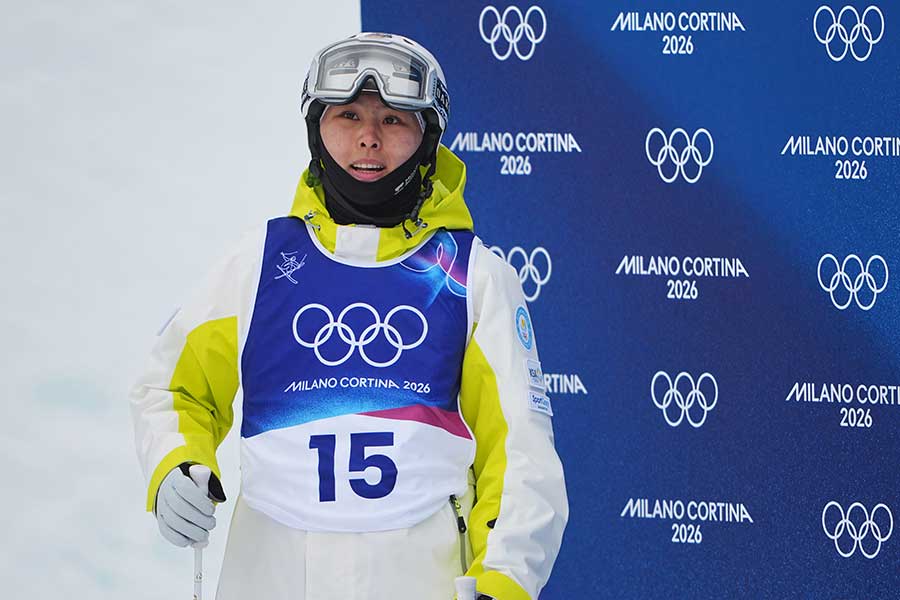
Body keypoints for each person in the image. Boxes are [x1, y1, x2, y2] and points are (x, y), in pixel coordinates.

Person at [130, 32, 567, 600]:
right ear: (317, 129)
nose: (367, 139)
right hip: (268, 575)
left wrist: (502, 581)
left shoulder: (472, 277)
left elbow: (521, 459)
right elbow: (172, 387)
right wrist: (175, 464)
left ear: (427, 136)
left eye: (393, 120)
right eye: (348, 115)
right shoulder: (258, 262)